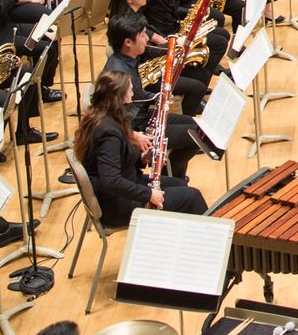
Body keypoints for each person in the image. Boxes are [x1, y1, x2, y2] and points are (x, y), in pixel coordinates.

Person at [77, 70, 207, 225]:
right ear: (121, 97)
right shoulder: (108, 132)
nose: (133, 94)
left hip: (127, 183)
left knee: (180, 184)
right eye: (131, 90)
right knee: (192, 197)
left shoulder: (105, 116)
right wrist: (149, 194)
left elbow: (117, 159)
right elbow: (110, 181)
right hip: (117, 204)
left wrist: (142, 158)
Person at [102, 7, 206, 173]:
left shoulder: (128, 59)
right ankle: (171, 177)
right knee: (197, 136)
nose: (146, 39)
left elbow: (138, 96)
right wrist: (133, 135)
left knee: (200, 127)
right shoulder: (118, 74)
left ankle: (172, 175)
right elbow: (107, 117)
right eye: (142, 35)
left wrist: (157, 96)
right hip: (136, 127)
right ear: (128, 42)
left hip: (143, 116)